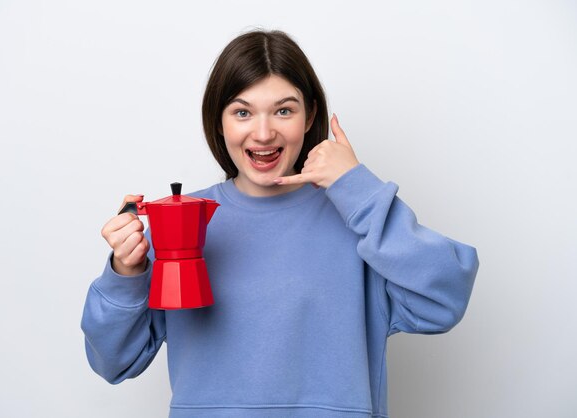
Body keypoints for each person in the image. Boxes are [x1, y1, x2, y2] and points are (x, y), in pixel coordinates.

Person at [81, 29, 479, 418]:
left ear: (310, 118)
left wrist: (356, 187)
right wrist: (124, 273)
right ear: (219, 122)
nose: (264, 132)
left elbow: (445, 300)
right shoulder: (182, 219)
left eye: (284, 110)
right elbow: (114, 362)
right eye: (242, 112)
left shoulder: (357, 217)